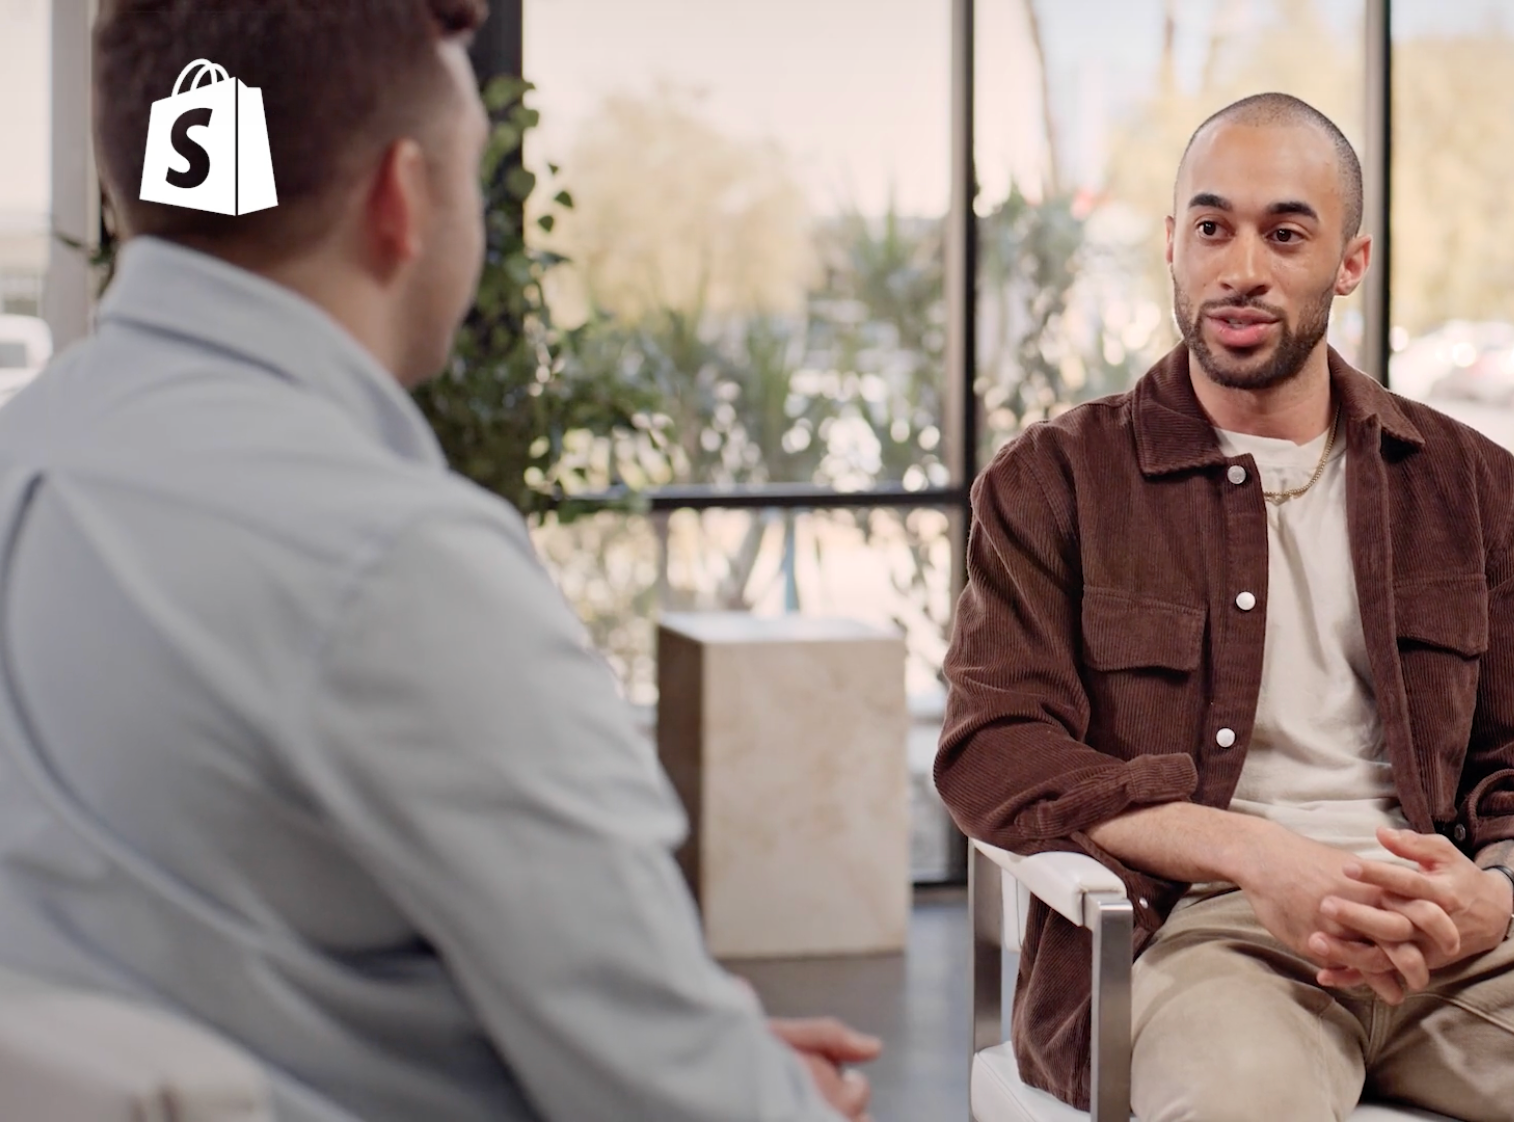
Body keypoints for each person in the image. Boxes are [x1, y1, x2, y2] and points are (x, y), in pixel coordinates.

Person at [0, 3, 875, 1119]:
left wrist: (689, 1043)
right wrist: (744, 1080)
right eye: (473, 173)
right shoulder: (400, 562)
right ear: (401, 197)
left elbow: (204, 965)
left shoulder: (30, 451)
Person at [936, 91, 1514, 1121]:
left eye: (1285, 233)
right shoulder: (1055, 481)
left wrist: (1490, 891)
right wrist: (1256, 853)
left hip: (1450, 933)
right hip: (1198, 930)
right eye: (1211, 226)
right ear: (1173, 247)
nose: (1241, 268)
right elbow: (995, 749)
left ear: (1349, 262)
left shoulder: (1476, 487)